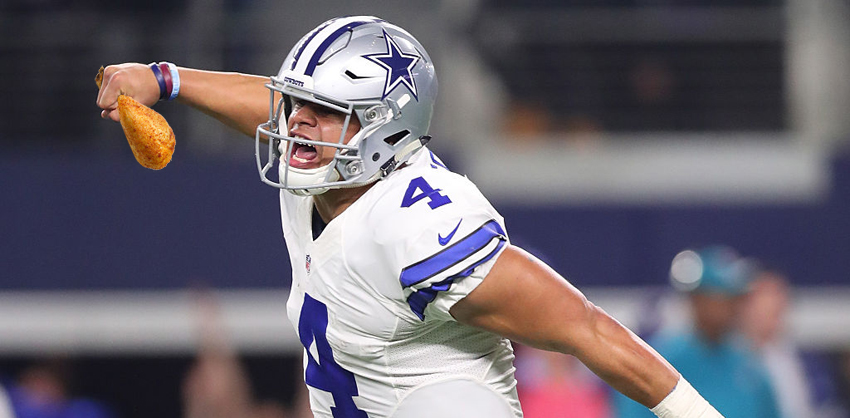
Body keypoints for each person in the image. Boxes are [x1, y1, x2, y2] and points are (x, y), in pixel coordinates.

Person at [96, 16, 723, 418]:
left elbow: (583, 328)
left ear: (382, 128)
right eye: (297, 105)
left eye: (324, 111)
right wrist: (166, 78)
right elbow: (272, 100)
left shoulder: (415, 223)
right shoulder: (320, 164)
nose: (295, 124)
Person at [613, 246, 780, 418]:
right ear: (696, 299)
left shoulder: (751, 366)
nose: (731, 307)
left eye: (733, 298)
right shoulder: (659, 360)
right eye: (720, 298)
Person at [741, 269, 816, 418]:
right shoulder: (731, 356)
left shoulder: (789, 358)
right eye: (766, 308)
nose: (775, 316)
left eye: (778, 308)